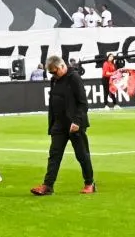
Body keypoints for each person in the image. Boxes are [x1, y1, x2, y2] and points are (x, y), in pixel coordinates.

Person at [32, 57, 95, 196]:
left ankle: (89, 183)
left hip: (74, 124)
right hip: (59, 124)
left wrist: (77, 121)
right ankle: (48, 185)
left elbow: (83, 103)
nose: (54, 75)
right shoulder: (54, 80)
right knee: (54, 155)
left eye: (55, 72)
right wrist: (52, 124)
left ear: (61, 66)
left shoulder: (74, 78)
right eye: (51, 73)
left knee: (82, 155)